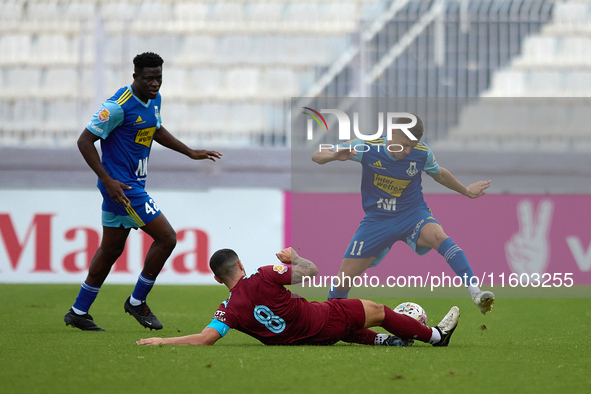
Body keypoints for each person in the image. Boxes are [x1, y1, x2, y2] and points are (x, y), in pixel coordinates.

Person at [64, 52, 222, 331]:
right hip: (123, 187)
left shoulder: (154, 100)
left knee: (111, 249)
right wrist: (107, 179)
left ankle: (78, 311)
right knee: (167, 238)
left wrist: (189, 152)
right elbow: (84, 141)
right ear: (135, 76)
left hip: (128, 185)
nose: (155, 83)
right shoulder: (117, 107)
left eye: (159, 78)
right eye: (149, 78)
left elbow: (154, 129)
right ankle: (137, 302)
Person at [311, 114, 495, 314]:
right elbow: (317, 156)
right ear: (392, 133)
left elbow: (440, 174)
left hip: (412, 213)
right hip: (378, 220)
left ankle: (476, 292)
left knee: (439, 237)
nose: (407, 151)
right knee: (345, 277)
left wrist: (466, 191)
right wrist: (333, 155)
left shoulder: (422, 153)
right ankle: (330, 317)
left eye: (412, 146)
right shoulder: (367, 147)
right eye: (404, 144)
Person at [136, 247, 460, 347]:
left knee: (346, 324)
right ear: (241, 265)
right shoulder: (263, 274)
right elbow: (313, 271)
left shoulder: (227, 310)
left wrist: (163, 342)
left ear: (218, 278)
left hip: (304, 340)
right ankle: (435, 336)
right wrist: (293, 259)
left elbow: (205, 339)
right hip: (320, 321)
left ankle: (386, 342)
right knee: (374, 309)